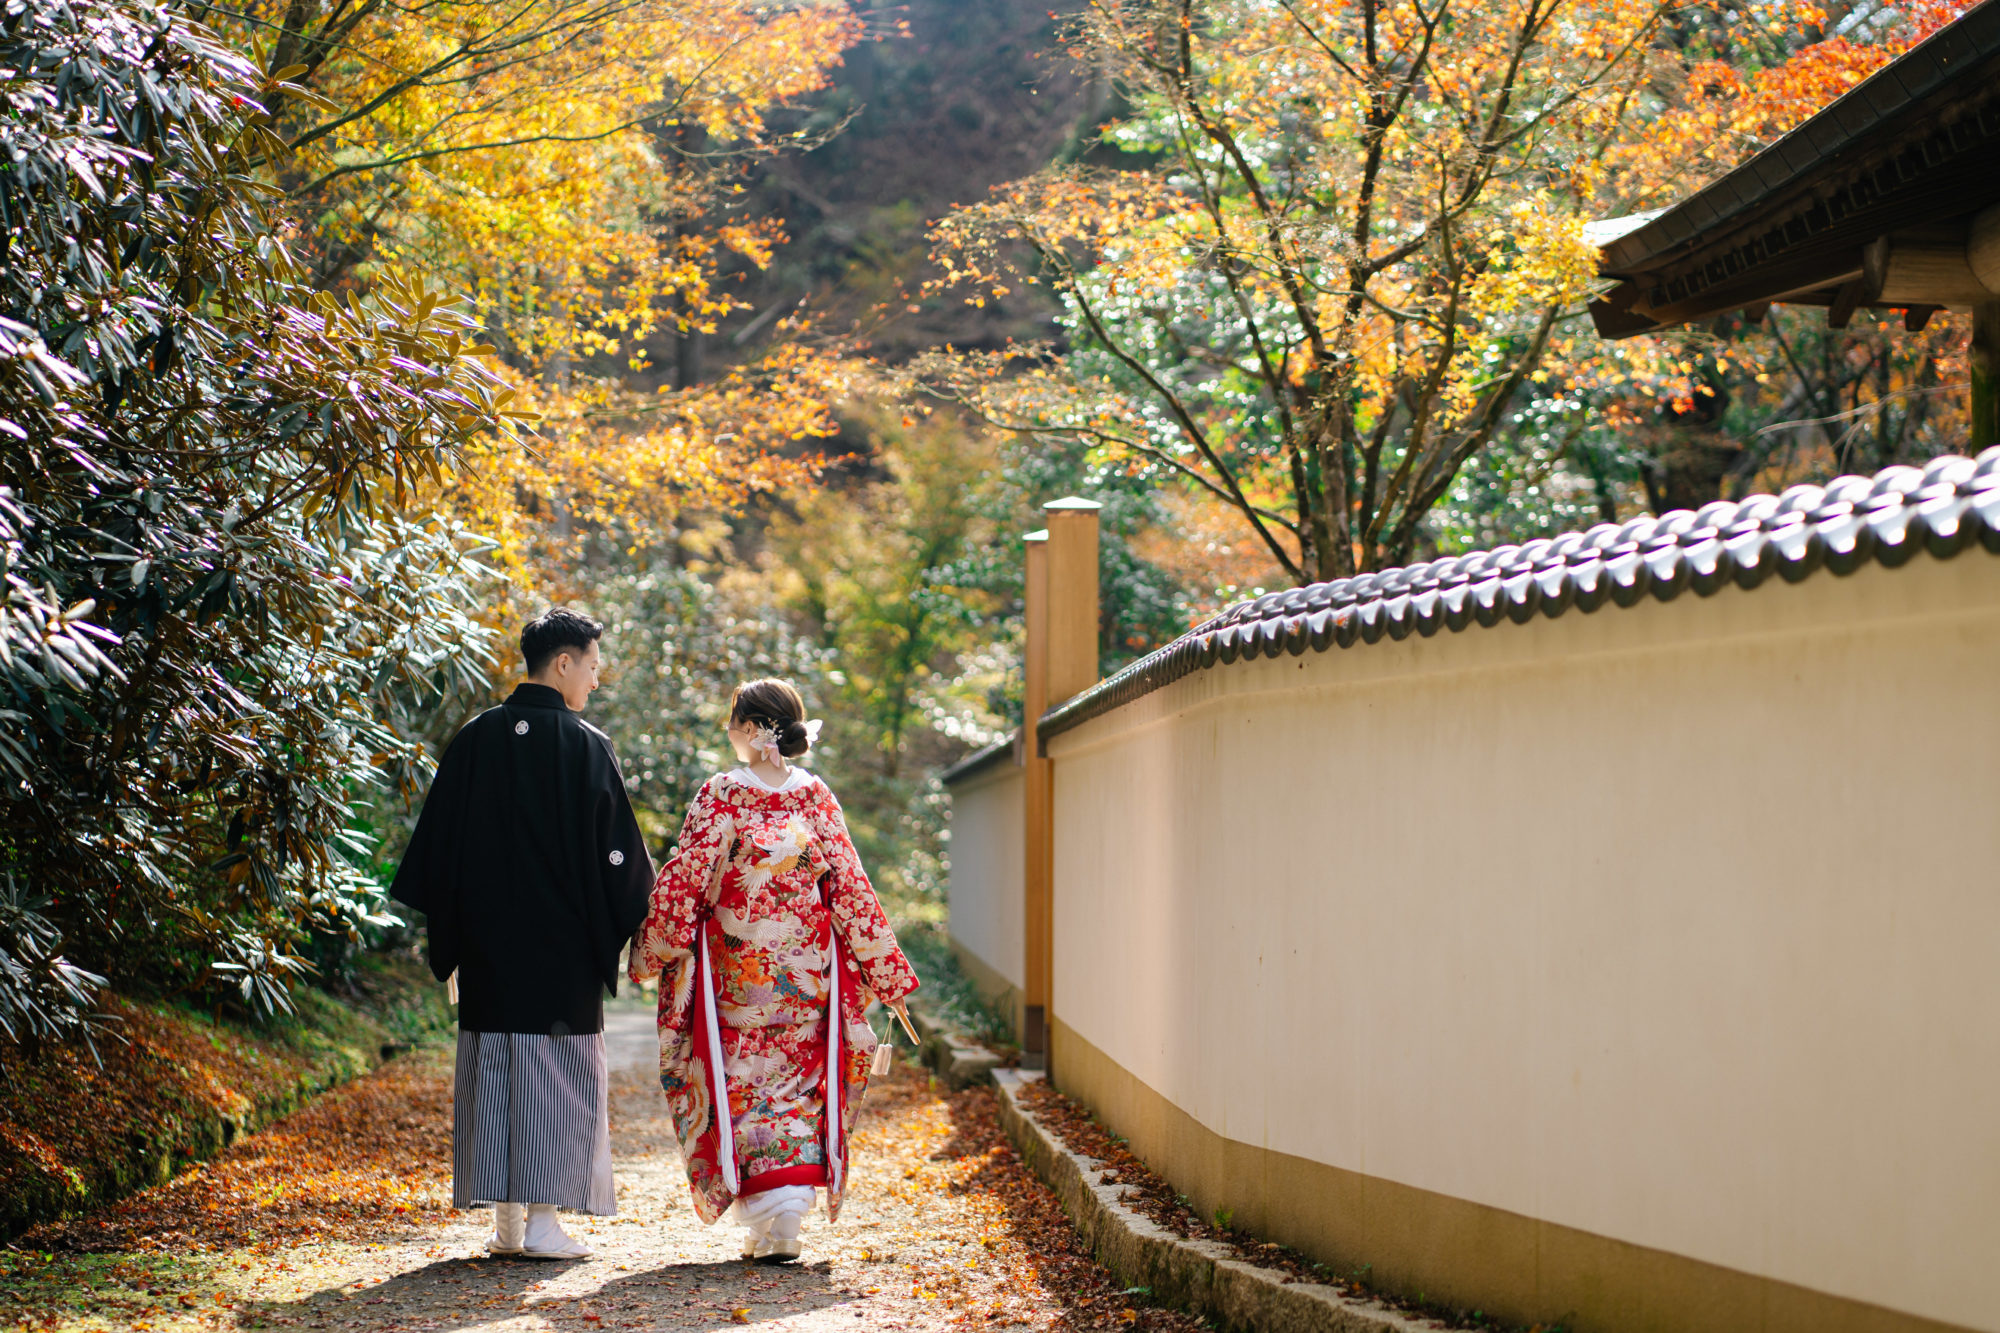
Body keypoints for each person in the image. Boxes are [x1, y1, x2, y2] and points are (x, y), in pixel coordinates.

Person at [391, 607, 653, 1260]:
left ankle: (507, 1223)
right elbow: (618, 857)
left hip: (485, 948)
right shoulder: (587, 745)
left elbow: (437, 852)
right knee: (557, 1080)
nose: (594, 681)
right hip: (560, 954)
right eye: (591, 667)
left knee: (497, 1072)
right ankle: (540, 1223)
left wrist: (449, 936)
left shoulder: (475, 738)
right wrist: (641, 925)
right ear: (562, 663)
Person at [629, 678, 919, 1263]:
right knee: (799, 1081)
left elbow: (685, 880)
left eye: (733, 720)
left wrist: (649, 951)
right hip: (807, 973)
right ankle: (785, 1214)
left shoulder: (720, 796)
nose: (728, 731)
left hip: (738, 974)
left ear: (753, 729)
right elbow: (851, 888)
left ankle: (771, 1211)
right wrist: (886, 974)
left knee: (742, 1083)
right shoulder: (815, 796)